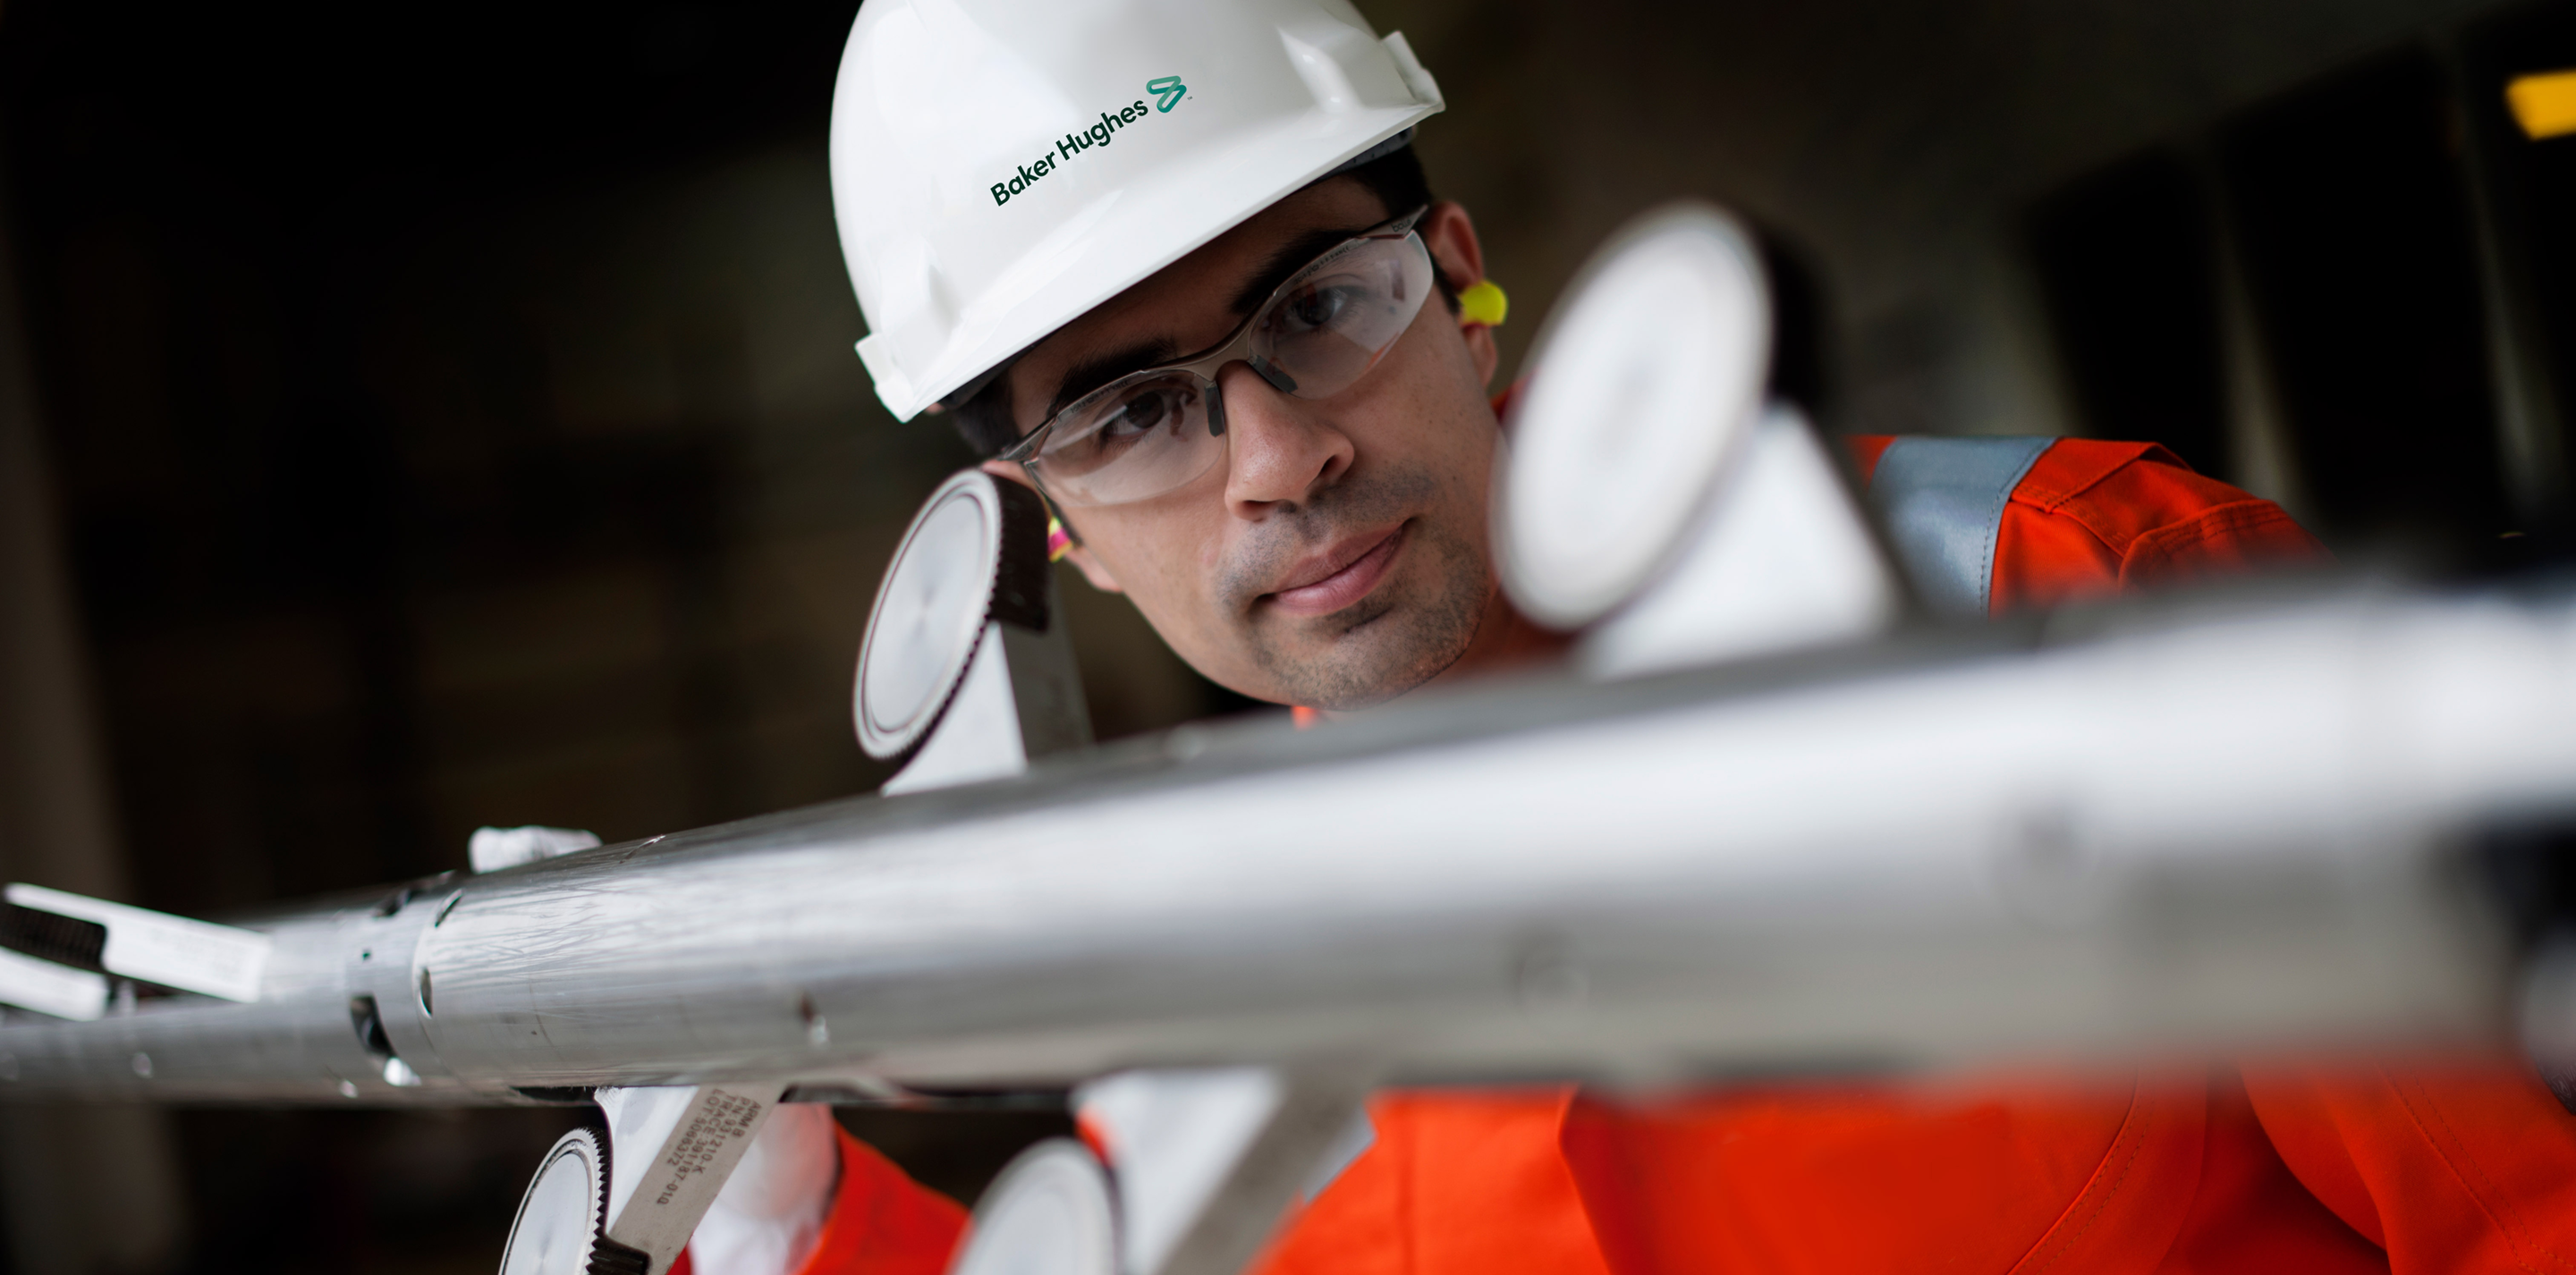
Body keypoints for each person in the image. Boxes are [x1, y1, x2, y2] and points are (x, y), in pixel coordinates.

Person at [671, 0, 2576, 1271]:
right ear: (1054, 528)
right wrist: (789, 1209)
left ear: (1467, 289)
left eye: (1320, 303)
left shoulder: (2053, 597)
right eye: (1133, 414)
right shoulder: (1219, 962)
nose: (1279, 453)